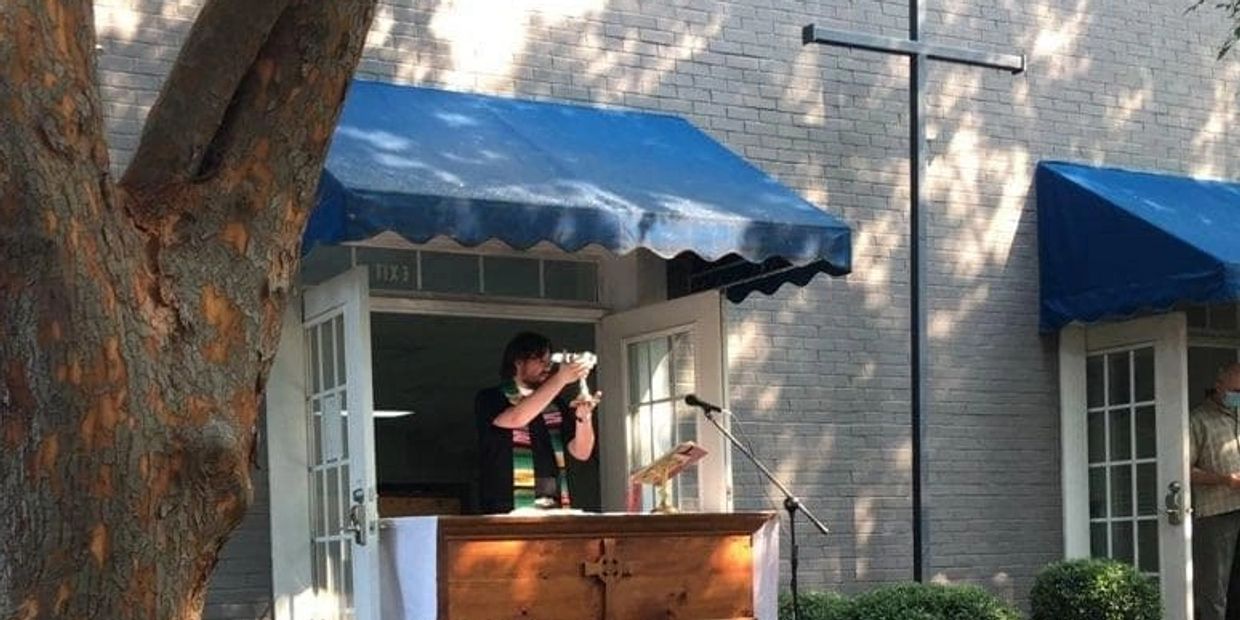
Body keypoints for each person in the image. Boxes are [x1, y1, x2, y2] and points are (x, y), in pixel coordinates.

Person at [475, 332, 600, 514]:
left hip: (551, 504)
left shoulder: (555, 404)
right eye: (541, 360)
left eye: (549, 362)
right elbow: (516, 418)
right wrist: (561, 378)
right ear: (518, 361)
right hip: (505, 506)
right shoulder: (490, 397)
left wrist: (584, 417)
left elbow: (581, 452)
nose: (548, 367)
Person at [1191, 362, 1240, 620]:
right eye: (1236, 390)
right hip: (1216, 513)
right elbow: (1181, 471)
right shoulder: (1198, 420)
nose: (1238, 396)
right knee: (1214, 586)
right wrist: (1225, 479)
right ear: (1219, 385)